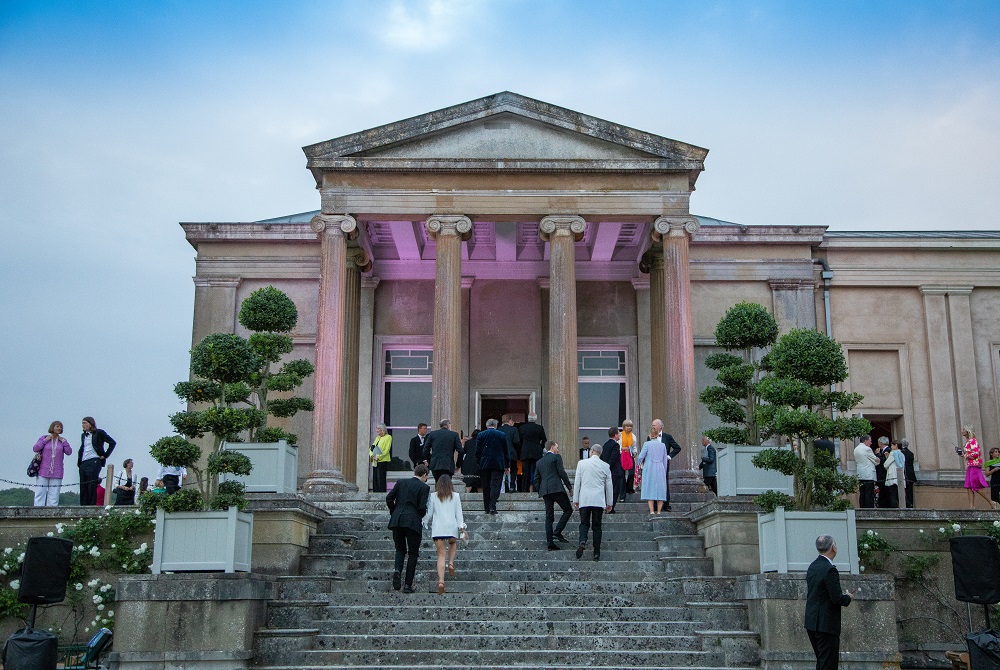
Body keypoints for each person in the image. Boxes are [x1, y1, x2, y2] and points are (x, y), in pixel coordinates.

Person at [805, 534, 854, 670]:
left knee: (822, 663)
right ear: (833, 547)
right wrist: (848, 597)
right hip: (826, 624)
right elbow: (837, 598)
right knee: (829, 665)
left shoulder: (813, 566)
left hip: (812, 622)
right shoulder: (830, 569)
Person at [387, 464, 430, 593]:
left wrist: (394, 511)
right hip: (412, 522)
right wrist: (418, 515)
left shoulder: (401, 482)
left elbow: (389, 498)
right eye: (426, 477)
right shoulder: (424, 487)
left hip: (397, 520)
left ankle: (397, 571)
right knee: (413, 553)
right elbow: (422, 507)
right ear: (424, 475)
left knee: (400, 549)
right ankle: (407, 585)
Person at [423, 473, 467, 594]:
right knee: (453, 544)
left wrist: (424, 521)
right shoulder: (456, 496)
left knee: (441, 555)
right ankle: (451, 563)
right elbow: (459, 514)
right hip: (451, 527)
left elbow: (429, 513)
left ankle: (441, 581)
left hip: (438, 529)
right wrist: (462, 528)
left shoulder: (433, 496)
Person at [572, 443, 613, 561]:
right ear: (600, 453)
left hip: (585, 498)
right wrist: (609, 503)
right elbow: (609, 486)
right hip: (598, 500)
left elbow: (577, 482)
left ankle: (582, 540)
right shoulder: (605, 466)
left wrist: (576, 499)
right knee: (597, 526)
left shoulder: (582, 463)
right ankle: (596, 552)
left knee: (584, 523)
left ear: (591, 451)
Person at [534, 440, 573, 550]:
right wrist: (569, 487)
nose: (558, 449)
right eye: (557, 447)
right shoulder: (557, 457)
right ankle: (557, 531)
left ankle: (550, 543)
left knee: (549, 516)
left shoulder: (539, 462)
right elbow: (562, 473)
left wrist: (540, 490)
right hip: (556, 488)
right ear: (552, 447)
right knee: (568, 510)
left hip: (545, 491)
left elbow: (536, 479)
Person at [32, 421, 72, 507]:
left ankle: (52, 512)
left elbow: (69, 452)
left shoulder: (62, 441)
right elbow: (35, 448)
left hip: (57, 471)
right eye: (57, 426)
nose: (59, 428)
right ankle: (38, 511)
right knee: (40, 492)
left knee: (54, 494)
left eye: (60, 427)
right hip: (43, 470)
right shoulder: (44, 438)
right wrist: (45, 441)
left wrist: (64, 442)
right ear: (52, 427)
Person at [78, 417, 116, 506]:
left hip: (94, 460)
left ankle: (91, 506)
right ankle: (83, 506)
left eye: (84, 423)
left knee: (91, 484)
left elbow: (112, 442)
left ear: (90, 424)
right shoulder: (83, 435)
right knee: (83, 485)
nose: (83, 425)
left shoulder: (99, 432)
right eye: (82, 423)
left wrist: (105, 455)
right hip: (84, 461)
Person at [475, 418, 509, 515]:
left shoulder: (481, 435)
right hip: (498, 464)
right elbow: (506, 451)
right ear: (496, 426)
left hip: (484, 463)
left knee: (485, 486)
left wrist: (479, 462)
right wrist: (507, 464)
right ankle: (492, 506)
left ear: (486, 426)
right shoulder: (501, 435)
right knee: (495, 485)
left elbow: (477, 451)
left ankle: (486, 508)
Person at [638, 426, 668, 515]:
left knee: (650, 488)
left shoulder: (647, 444)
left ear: (650, 435)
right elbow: (665, 460)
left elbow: (640, 456)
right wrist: (664, 470)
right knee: (660, 489)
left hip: (649, 467)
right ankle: (658, 511)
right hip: (660, 467)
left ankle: (651, 511)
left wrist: (641, 463)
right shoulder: (662, 445)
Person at [652, 419, 681, 511]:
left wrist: (669, 456)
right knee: (654, 483)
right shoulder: (650, 437)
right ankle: (655, 505)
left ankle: (666, 504)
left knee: (664, 482)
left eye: (654, 425)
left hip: (663, 462)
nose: (652, 427)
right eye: (652, 425)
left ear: (660, 427)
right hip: (653, 463)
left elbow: (677, 448)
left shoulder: (667, 437)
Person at [961, 425, 991, 509]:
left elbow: (975, 454)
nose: (962, 431)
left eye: (964, 429)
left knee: (975, 486)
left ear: (968, 431)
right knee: (969, 486)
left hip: (974, 465)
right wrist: (964, 455)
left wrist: (965, 455)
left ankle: (991, 502)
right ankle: (971, 506)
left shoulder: (972, 441)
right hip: (971, 465)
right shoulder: (969, 441)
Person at [518, 413, 547, 493]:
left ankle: (524, 490)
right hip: (536, 452)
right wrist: (540, 447)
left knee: (525, 473)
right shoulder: (539, 428)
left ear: (528, 418)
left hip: (525, 452)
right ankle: (536, 489)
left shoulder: (522, 428)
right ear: (535, 419)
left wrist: (523, 448)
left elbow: (519, 441)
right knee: (536, 472)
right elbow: (544, 440)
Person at [599, 427, 625, 512]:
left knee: (608, 490)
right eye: (618, 433)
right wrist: (608, 467)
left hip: (607, 470)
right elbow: (614, 458)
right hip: (614, 471)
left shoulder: (605, 444)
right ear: (615, 435)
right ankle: (611, 508)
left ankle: (608, 506)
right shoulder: (615, 445)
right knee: (614, 490)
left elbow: (602, 457)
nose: (620, 434)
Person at [853, 436, 877, 508]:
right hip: (868, 474)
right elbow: (876, 460)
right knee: (869, 494)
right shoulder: (867, 449)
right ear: (865, 441)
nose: (871, 442)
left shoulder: (856, 449)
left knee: (862, 494)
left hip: (860, 474)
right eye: (870, 441)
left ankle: (862, 508)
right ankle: (869, 509)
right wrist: (878, 455)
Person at [500, 417, 521, 491]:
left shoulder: (499, 429)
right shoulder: (514, 429)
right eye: (512, 421)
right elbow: (517, 441)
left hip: (501, 454)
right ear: (509, 420)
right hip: (511, 453)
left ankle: (501, 489)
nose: (513, 422)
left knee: (500, 471)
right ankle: (512, 486)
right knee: (513, 470)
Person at [371, 423, 392, 493]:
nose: (377, 431)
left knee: (381, 478)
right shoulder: (377, 438)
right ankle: (375, 492)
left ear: (382, 430)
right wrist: (372, 455)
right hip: (375, 461)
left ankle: (381, 492)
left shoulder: (388, 437)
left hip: (383, 460)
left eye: (378, 429)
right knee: (375, 478)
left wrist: (378, 457)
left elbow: (386, 450)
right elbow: (372, 448)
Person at [882, 441, 904, 509]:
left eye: (892, 445)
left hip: (892, 476)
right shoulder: (901, 454)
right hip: (900, 476)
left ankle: (894, 509)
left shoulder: (893, 453)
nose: (891, 447)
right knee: (899, 494)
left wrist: (887, 458)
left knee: (892, 494)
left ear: (896, 445)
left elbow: (886, 464)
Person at [461, 429, 481, 493]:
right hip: (478, 464)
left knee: (468, 485)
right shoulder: (482, 442)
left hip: (468, 465)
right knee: (480, 486)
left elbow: (464, 453)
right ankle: (482, 502)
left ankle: (465, 501)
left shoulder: (467, 443)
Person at [620, 420, 637, 497]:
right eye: (627, 426)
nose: (629, 428)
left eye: (630, 426)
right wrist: (622, 448)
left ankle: (629, 488)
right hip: (622, 456)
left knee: (631, 473)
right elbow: (617, 446)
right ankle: (622, 489)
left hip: (629, 455)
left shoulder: (633, 436)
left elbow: (634, 446)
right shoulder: (620, 435)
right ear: (624, 427)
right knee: (622, 474)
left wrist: (635, 452)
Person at [900, 438, 917, 509]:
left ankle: (905, 505)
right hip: (911, 475)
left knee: (903, 492)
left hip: (904, 475)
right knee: (910, 492)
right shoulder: (911, 453)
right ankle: (910, 505)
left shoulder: (901, 453)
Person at [874, 437, 890, 508]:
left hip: (884, 475)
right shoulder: (883, 451)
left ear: (880, 443)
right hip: (881, 476)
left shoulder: (888, 450)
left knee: (885, 492)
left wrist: (878, 454)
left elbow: (883, 461)